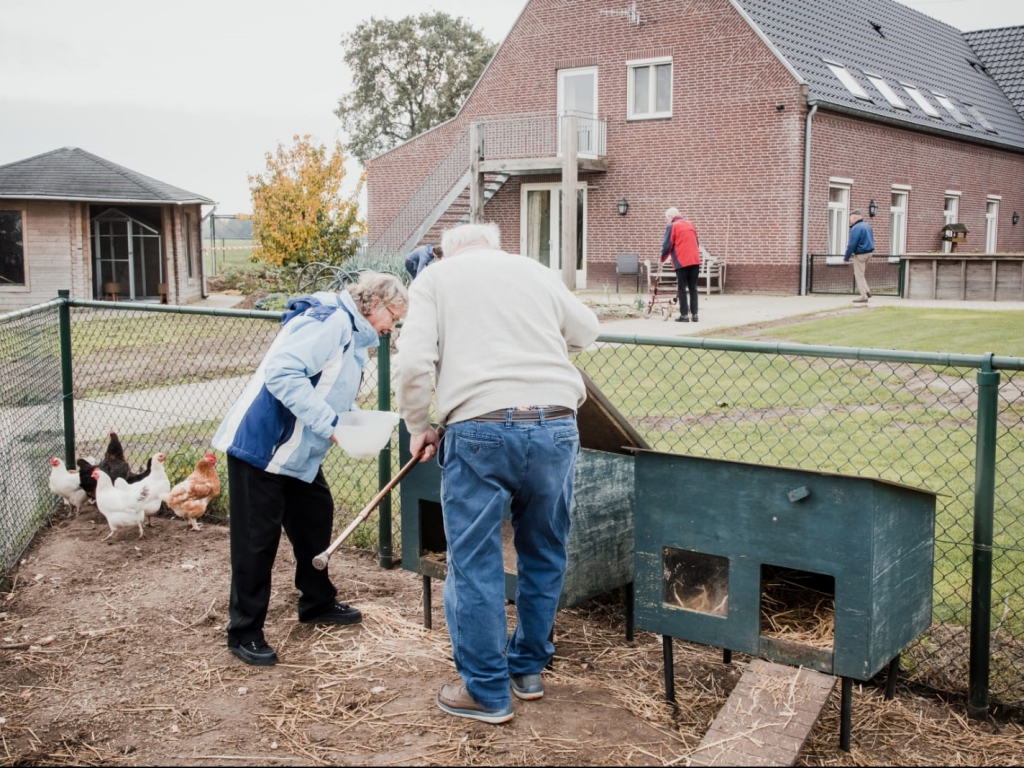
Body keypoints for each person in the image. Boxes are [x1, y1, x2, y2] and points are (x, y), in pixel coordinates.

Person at [395, 222, 600, 724]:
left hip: (480, 428)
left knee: (474, 560)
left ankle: (486, 691)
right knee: (544, 548)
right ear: (495, 244)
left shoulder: (436, 279)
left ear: (448, 250)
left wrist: (419, 426)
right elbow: (587, 332)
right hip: (556, 425)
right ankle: (527, 669)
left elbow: (414, 363)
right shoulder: (532, 269)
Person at [211, 271, 408, 667]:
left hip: (296, 453)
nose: (393, 327)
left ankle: (316, 602)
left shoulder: (351, 332)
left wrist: (351, 419)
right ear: (375, 304)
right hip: (264, 446)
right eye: (394, 317)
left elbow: (326, 388)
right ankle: (244, 631)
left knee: (315, 518)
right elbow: (283, 374)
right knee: (256, 541)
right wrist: (332, 425)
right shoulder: (330, 321)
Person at [660, 208, 702, 323]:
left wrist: (662, 259)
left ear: (670, 216)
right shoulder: (690, 224)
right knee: (693, 288)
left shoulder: (672, 226)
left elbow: (667, 245)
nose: (667, 221)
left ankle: (684, 316)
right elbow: (696, 242)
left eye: (667, 218)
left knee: (682, 288)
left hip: (681, 261)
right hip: (695, 260)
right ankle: (695, 315)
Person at [845, 210, 875, 304]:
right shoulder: (867, 226)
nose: (849, 220)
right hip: (869, 253)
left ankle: (863, 296)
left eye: (850, 218)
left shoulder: (856, 228)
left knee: (858, 275)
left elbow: (852, 244)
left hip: (860, 254)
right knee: (861, 274)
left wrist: (846, 257)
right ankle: (867, 291)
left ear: (854, 218)